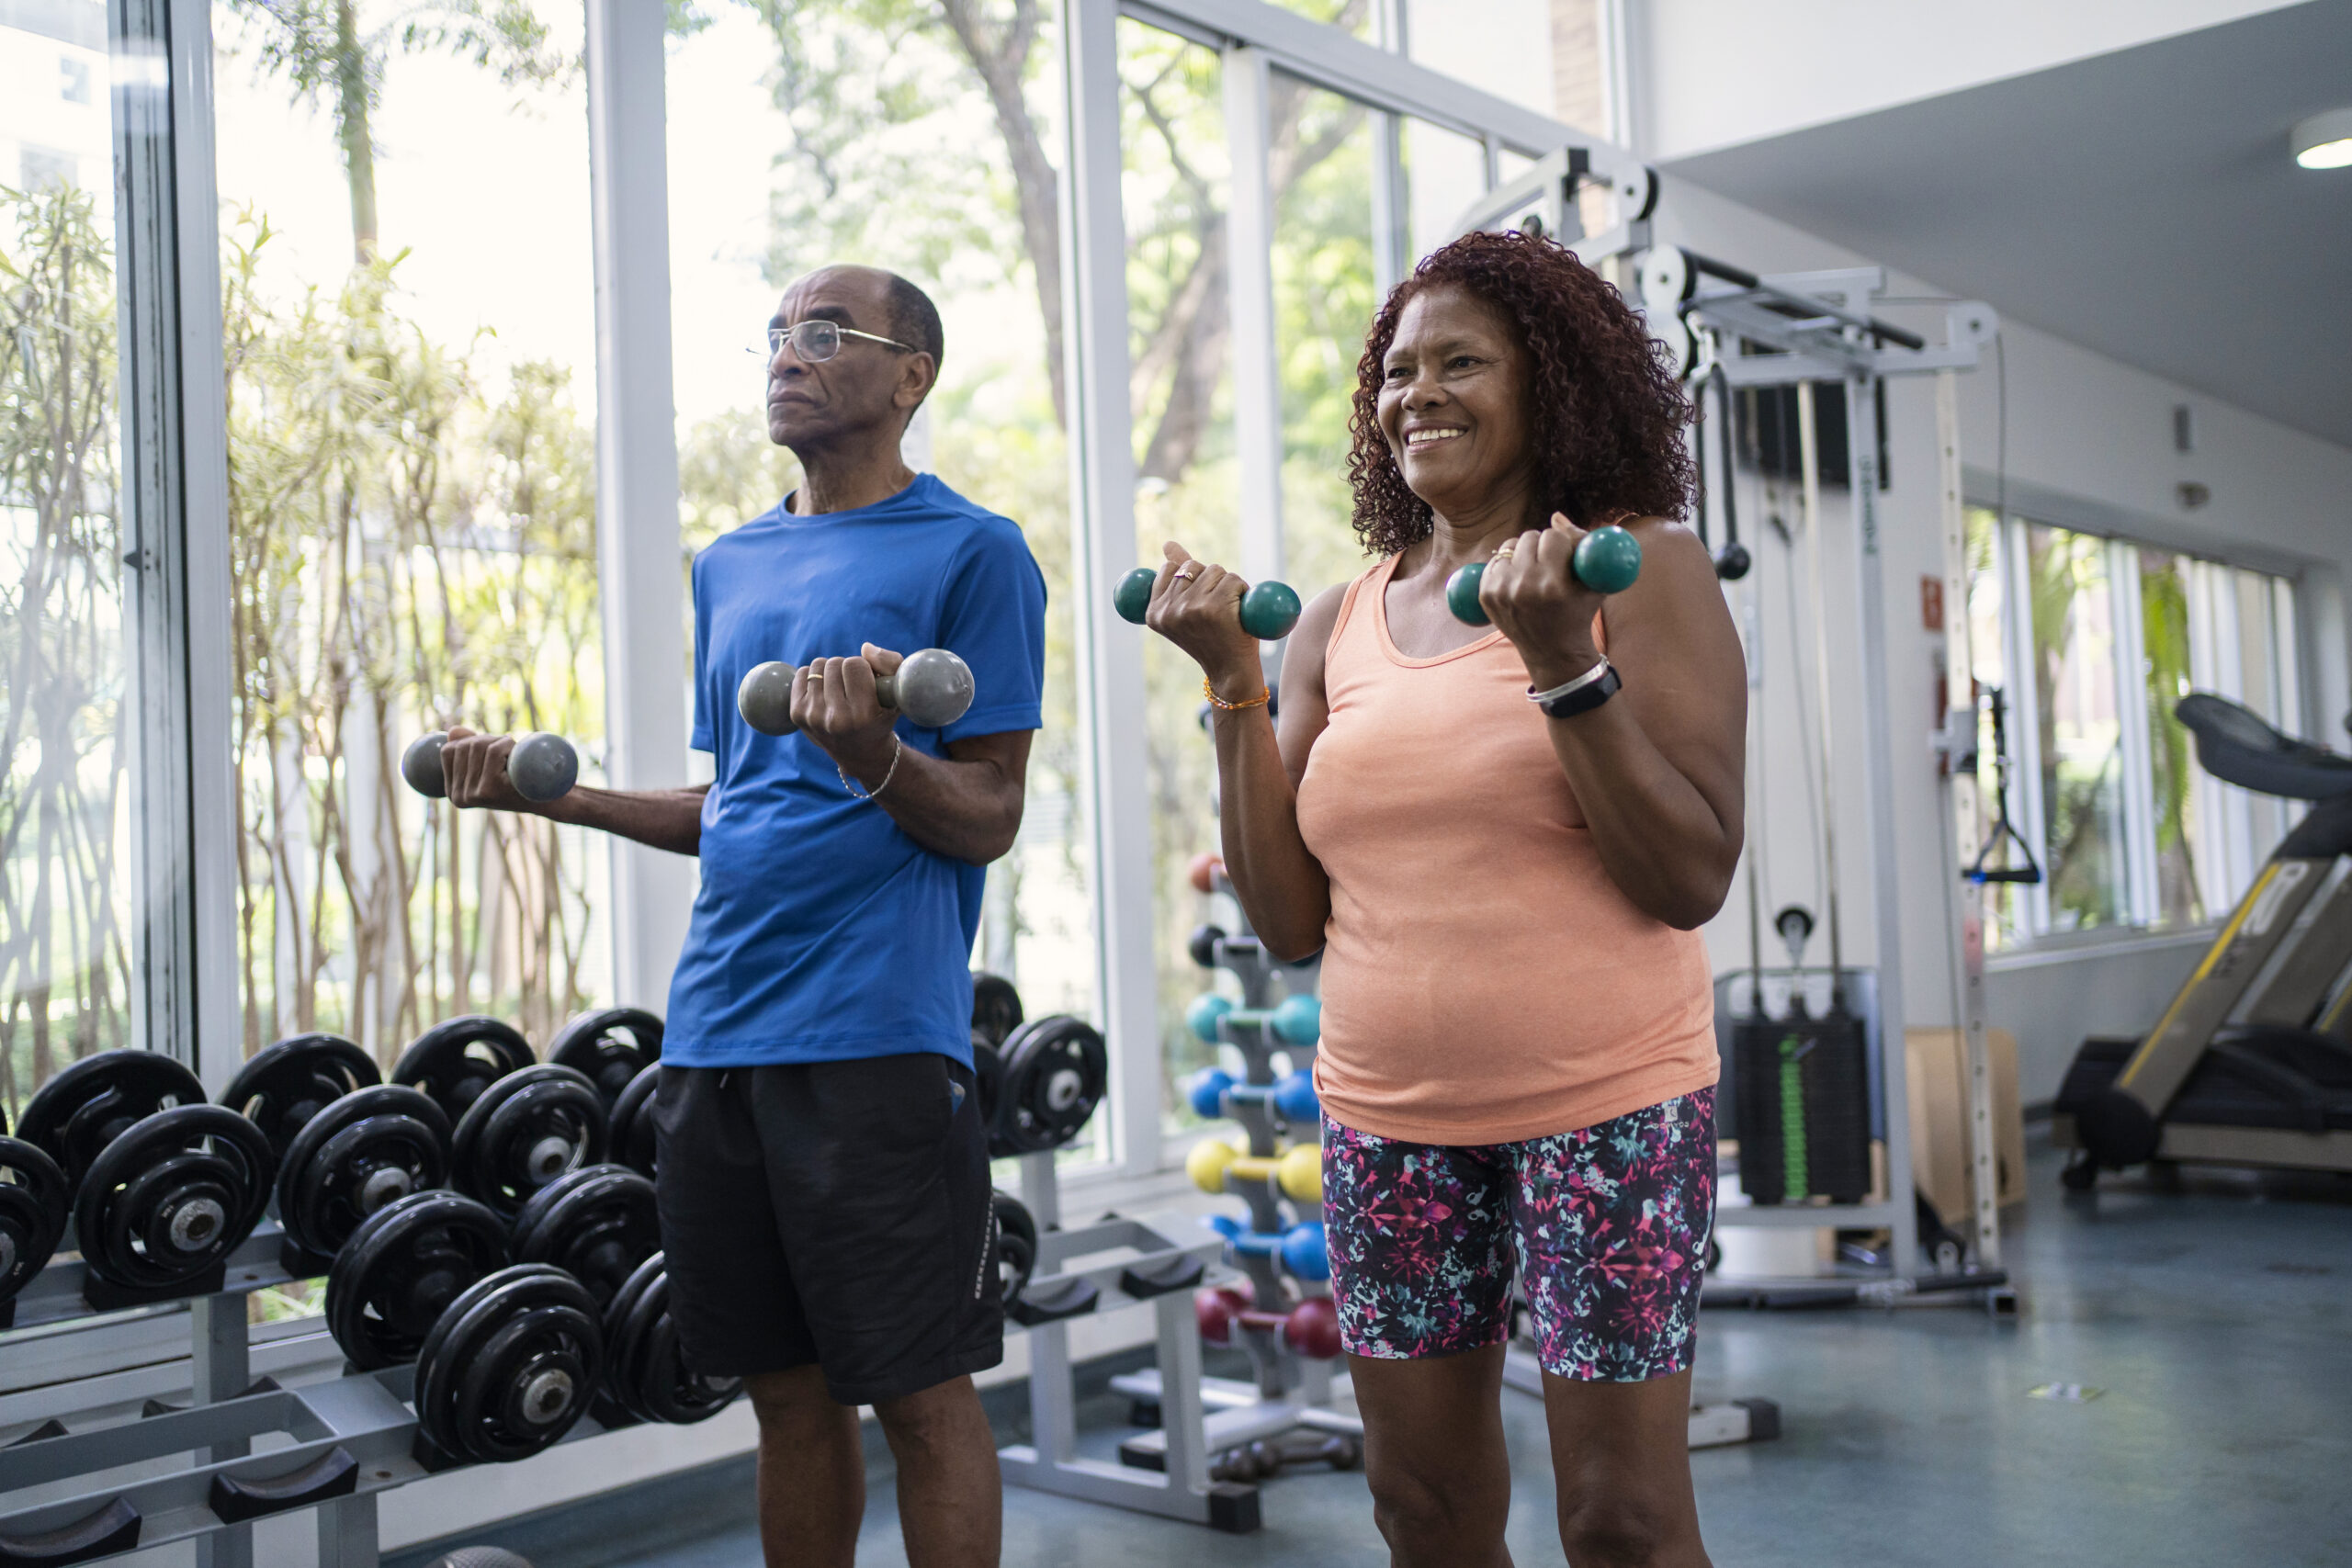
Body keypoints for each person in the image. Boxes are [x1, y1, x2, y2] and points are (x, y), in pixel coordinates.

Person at [1140, 229, 1745, 1568]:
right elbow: (1290, 924)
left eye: (1461, 360)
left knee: (1625, 1524)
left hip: (1611, 1109)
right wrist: (1233, 684)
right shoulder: (1337, 621)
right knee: (1422, 1511)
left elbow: (1691, 875)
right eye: (1398, 370)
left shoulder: (1635, 570)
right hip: (1385, 1121)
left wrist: (1559, 666)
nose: (1419, 390)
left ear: (1553, 387)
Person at [437, 265, 1046, 1568]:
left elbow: (990, 812)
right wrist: (565, 800)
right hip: (714, 1039)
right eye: (778, 334)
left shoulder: (975, 552)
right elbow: (740, 805)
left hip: (877, 1040)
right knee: (781, 1393)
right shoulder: (733, 562)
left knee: (919, 1395)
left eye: (827, 334)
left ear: (910, 375)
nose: (789, 354)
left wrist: (878, 752)